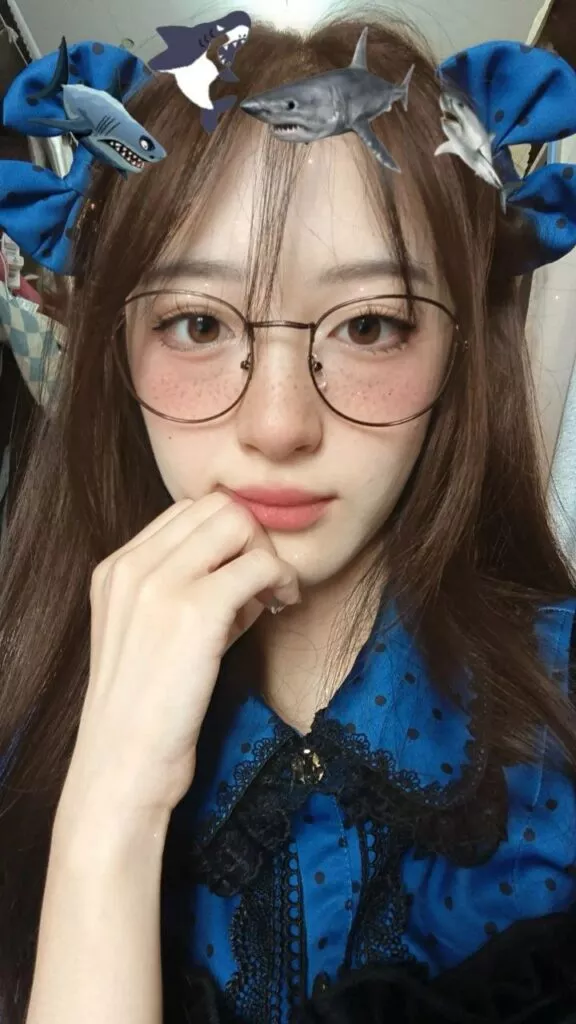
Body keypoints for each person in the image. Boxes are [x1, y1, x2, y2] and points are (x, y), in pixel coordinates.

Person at [0, 14, 575, 1024]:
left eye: (369, 325)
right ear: (116, 356)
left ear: (457, 360)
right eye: (196, 323)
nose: (277, 425)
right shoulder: (23, 706)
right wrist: (108, 812)